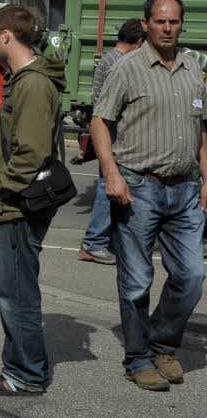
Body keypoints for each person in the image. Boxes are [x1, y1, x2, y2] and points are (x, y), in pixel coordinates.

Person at [91, 0, 206, 392]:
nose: (167, 28)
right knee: (137, 280)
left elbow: (202, 130)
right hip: (138, 188)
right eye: (160, 21)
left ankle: (163, 344)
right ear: (146, 24)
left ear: (181, 24)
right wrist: (112, 175)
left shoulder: (194, 69)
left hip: (185, 189)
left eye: (174, 21)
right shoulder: (128, 68)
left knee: (192, 275)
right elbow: (100, 122)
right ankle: (138, 358)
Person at [0, 4, 66, 396]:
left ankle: (25, 374)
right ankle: (26, 366)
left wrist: (3, 189)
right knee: (16, 289)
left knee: (16, 294)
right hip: (18, 202)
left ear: (6, 35)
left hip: (18, 204)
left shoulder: (30, 84)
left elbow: (30, 151)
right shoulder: (25, 79)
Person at [79, 18, 145, 265]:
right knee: (109, 188)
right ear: (139, 42)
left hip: (106, 132)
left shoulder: (106, 58)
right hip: (113, 135)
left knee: (109, 186)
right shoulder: (121, 63)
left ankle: (103, 240)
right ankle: (94, 242)